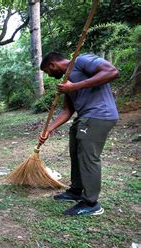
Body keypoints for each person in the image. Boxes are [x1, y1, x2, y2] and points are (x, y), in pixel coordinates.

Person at [39, 52, 119, 216]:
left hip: (98, 115)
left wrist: (75, 86)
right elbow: (67, 110)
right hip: (83, 117)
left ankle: (91, 203)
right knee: (75, 151)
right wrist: (48, 129)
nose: (49, 75)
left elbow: (112, 72)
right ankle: (76, 190)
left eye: (48, 71)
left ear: (52, 65)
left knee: (88, 156)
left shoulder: (81, 61)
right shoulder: (65, 81)